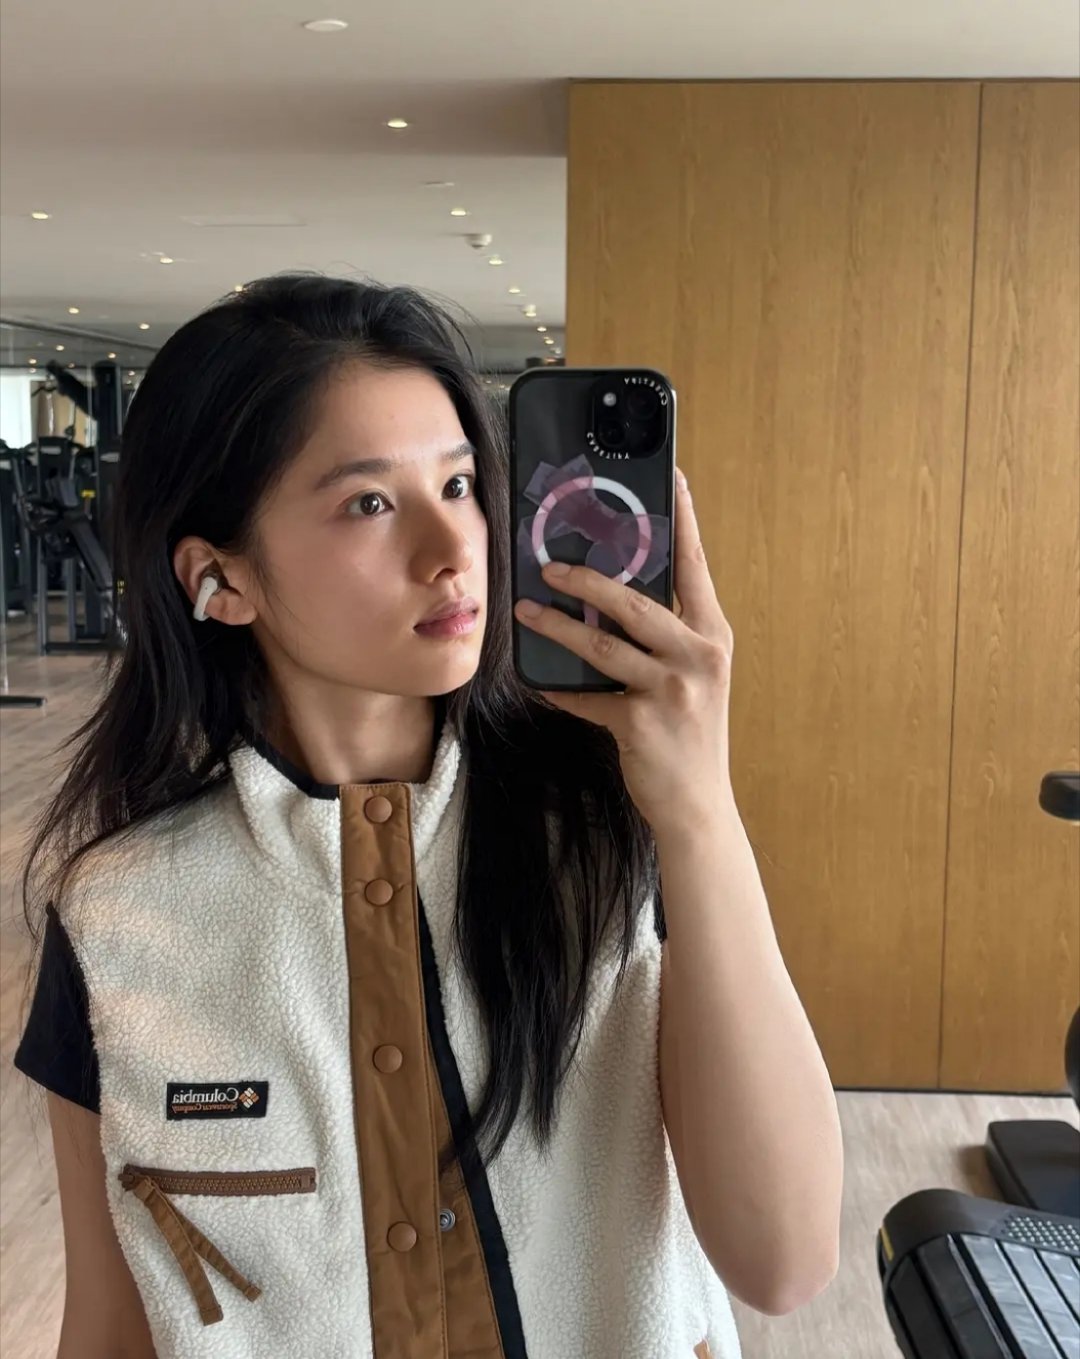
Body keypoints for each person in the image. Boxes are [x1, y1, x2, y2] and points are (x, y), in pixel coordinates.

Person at [13, 274, 843, 1359]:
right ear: (220, 577)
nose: (453, 549)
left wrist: (698, 809)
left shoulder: (610, 832)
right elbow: (112, 1326)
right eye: (369, 502)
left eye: (458, 484)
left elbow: (783, 1259)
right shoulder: (121, 913)